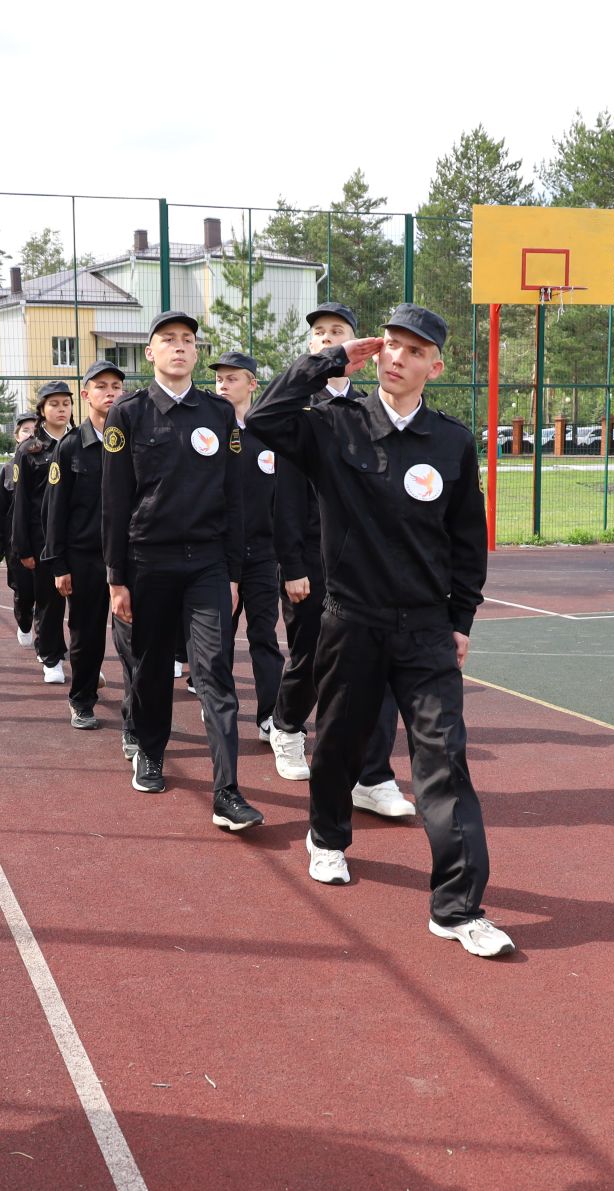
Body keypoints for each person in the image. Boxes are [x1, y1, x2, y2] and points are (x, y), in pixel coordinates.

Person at [247, 305, 512, 957]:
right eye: (389, 346)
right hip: (352, 620)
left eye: (412, 350)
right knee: (338, 743)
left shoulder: (450, 441)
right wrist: (328, 360)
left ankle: (456, 907)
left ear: (434, 366)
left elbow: (466, 536)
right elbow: (262, 419)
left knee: (444, 759)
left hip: (425, 631)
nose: (396, 358)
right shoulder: (335, 425)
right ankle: (329, 837)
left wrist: (462, 618)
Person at [102, 310, 262, 832]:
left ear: (196, 353)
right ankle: (150, 751)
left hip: (209, 565)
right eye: (167, 340)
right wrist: (116, 578)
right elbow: (115, 500)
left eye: (187, 341)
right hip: (148, 562)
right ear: (149, 353)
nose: (179, 348)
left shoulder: (218, 414)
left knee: (214, 670)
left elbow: (236, 497)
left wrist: (234, 570)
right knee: (149, 669)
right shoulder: (128, 415)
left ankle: (227, 791)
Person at [266, 304, 416, 824]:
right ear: (314, 349)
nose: (329, 339)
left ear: (364, 345)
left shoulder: (373, 405)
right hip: (310, 558)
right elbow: (286, 496)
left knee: (377, 673)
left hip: (363, 566)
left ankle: (372, 775)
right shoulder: (297, 407)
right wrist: (291, 565)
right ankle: (287, 727)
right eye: (320, 335)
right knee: (309, 656)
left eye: (339, 332)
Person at [42, 360, 123, 731]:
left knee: (135, 638)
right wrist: (58, 564)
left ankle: (137, 709)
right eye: (101, 386)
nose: (110, 392)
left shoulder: (134, 440)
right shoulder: (71, 447)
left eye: (116, 386)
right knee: (86, 635)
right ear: (86, 394)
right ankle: (82, 699)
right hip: (85, 558)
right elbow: (55, 512)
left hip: (128, 558)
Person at [209, 351, 285, 743]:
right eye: (219, 379)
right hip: (219, 557)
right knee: (218, 640)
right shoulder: (208, 433)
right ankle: (221, 719)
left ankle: (269, 716)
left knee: (264, 637)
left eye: (232, 378)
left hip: (263, 554)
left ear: (252, 384)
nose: (223, 385)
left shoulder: (270, 433)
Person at [11, 381, 73, 684]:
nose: (61, 409)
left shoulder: (82, 442)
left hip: (79, 540)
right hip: (42, 541)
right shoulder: (30, 450)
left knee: (84, 604)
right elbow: (20, 503)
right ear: (42, 411)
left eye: (66, 403)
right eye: (54, 404)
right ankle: (50, 658)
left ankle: (79, 653)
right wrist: (23, 548)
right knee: (49, 602)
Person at [0, 410, 40, 646]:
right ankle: (24, 622)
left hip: (44, 541)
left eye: (35, 430)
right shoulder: (9, 470)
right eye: (26, 430)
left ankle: (46, 642)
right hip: (16, 543)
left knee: (47, 593)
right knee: (24, 591)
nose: (31, 435)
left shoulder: (52, 464)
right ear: (17, 436)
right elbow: (0, 509)